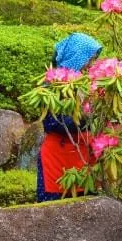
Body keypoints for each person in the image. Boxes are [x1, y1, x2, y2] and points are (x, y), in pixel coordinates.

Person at [37, 33, 103, 202]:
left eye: (94, 59)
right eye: (89, 59)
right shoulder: (52, 84)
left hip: (83, 155)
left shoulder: (91, 83)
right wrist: (89, 117)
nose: (92, 64)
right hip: (57, 157)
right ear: (77, 56)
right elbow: (53, 123)